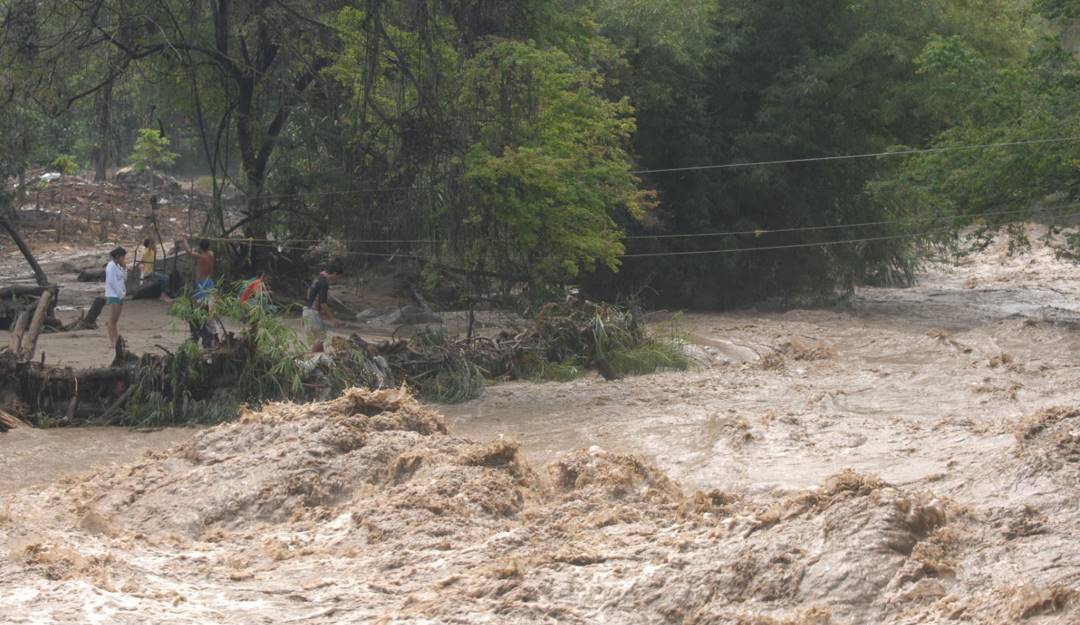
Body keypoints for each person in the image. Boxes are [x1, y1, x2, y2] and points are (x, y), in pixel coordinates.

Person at [303, 261, 344, 353]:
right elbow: (323, 303)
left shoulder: (317, 278)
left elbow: (309, 295)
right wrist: (333, 319)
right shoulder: (324, 282)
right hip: (312, 312)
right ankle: (310, 360)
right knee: (322, 337)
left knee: (317, 340)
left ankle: (319, 358)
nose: (338, 279)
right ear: (335, 273)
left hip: (306, 312)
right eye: (338, 277)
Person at [137, 236, 173, 304]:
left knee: (164, 274)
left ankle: (164, 293)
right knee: (165, 278)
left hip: (151, 271)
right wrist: (152, 231)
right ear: (150, 245)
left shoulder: (152, 252)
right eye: (153, 244)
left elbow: (143, 261)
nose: (155, 245)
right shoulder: (148, 251)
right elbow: (151, 242)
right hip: (148, 273)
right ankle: (163, 295)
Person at [180, 238, 216, 307]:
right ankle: (210, 315)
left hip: (201, 282)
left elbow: (189, 252)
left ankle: (199, 313)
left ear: (200, 247)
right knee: (211, 300)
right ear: (208, 247)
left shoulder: (201, 257)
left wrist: (184, 240)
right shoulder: (211, 254)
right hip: (209, 280)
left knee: (198, 301)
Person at [105, 246, 127, 349]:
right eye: (123, 257)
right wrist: (119, 293)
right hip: (114, 295)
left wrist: (124, 267)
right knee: (112, 320)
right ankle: (112, 342)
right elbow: (111, 281)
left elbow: (124, 278)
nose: (124, 259)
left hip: (120, 294)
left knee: (115, 320)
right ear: (118, 256)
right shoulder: (111, 266)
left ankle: (117, 340)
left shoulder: (118, 266)